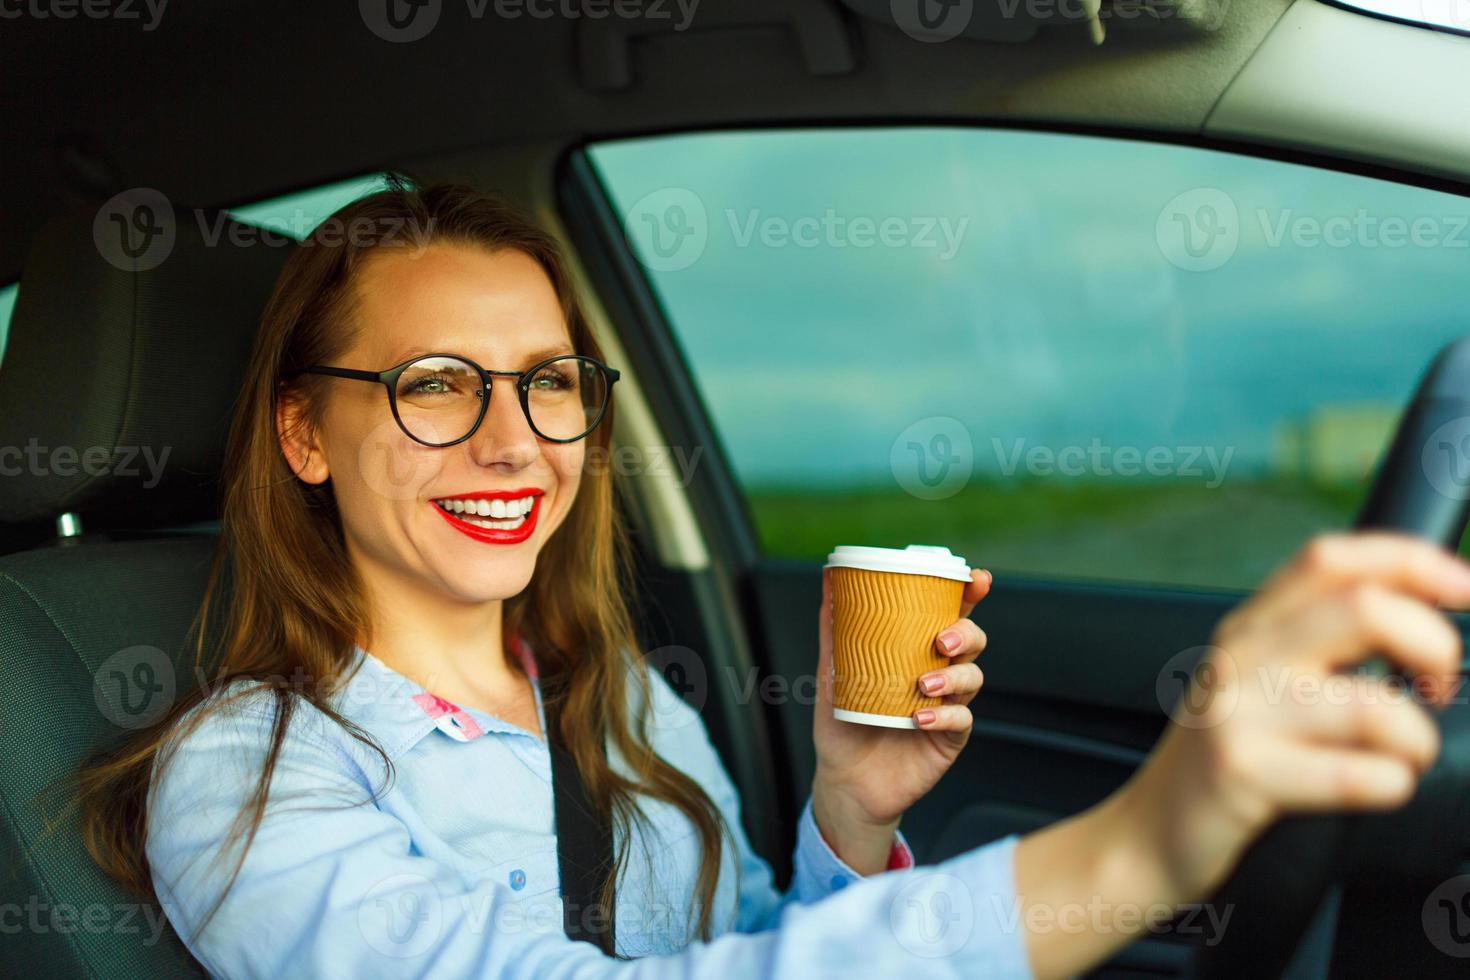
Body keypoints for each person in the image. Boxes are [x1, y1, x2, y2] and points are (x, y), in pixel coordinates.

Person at [78, 177, 1462, 978]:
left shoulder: (608, 691)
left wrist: (848, 817)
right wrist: (1141, 845)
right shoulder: (250, 779)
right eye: (437, 385)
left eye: (550, 383)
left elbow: (746, 946)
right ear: (304, 432)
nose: (514, 439)